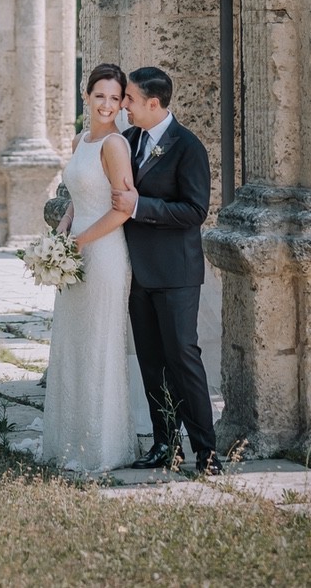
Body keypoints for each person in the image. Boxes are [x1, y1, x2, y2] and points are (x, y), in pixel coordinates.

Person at [111, 65, 222, 475]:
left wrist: (140, 206)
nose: (124, 106)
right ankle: (164, 444)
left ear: (152, 104)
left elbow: (195, 211)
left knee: (182, 358)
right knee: (151, 362)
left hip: (176, 274)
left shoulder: (187, 146)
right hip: (137, 275)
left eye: (131, 100)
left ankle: (207, 453)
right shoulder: (128, 139)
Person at [42, 63, 136, 472]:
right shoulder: (82, 139)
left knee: (98, 345)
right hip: (74, 253)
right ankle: (70, 437)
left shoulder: (114, 145)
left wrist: (79, 242)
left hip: (104, 255)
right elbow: (80, 196)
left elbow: (122, 210)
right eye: (100, 96)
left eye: (115, 98)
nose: (107, 105)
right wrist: (61, 235)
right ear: (87, 97)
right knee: (72, 342)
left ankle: (101, 446)